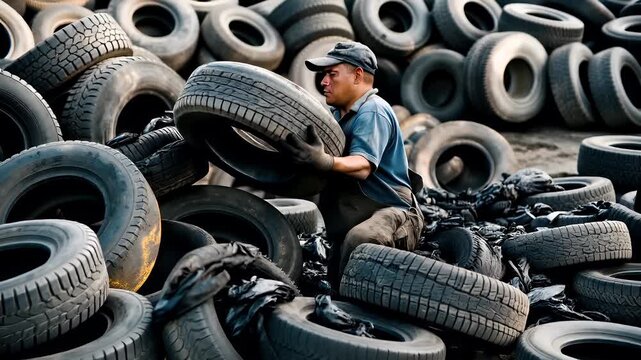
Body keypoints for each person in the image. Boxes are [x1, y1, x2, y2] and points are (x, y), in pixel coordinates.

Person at [280, 41, 424, 289]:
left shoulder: (373, 111)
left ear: (358, 75)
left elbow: (363, 165)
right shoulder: (336, 118)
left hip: (393, 214)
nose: (324, 82)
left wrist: (326, 161)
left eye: (331, 74)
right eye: (324, 75)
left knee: (360, 241)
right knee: (336, 284)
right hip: (352, 219)